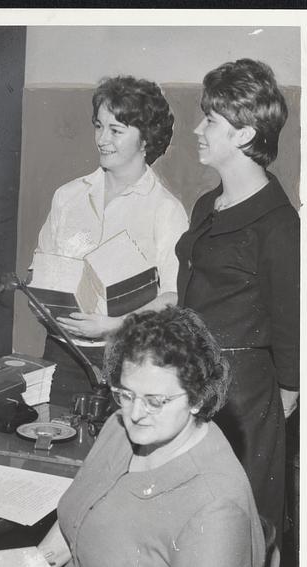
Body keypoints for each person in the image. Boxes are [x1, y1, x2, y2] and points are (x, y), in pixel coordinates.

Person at [37, 307, 265, 567]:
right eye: (126, 394)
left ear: (197, 398)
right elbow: (76, 518)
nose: (135, 413)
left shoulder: (216, 508)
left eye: (155, 401)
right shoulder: (119, 428)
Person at [175, 59, 299, 545]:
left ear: (245, 135)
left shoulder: (279, 226)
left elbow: (292, 330)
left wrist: (279, 401)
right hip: (193, 382)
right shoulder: (207, 205)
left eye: (210, 121)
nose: (197, 129)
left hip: (243, 400)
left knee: (232, 531)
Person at [30, 75, 188, 409]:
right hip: (60, 354)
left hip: (127, 362)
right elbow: (40, 269)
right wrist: (38, 299)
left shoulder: (166, 210)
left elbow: (173, 296)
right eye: (98, 126)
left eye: (116, 131)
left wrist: (112, 326)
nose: (102, 139)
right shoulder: (68, 196)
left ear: (146, 139)